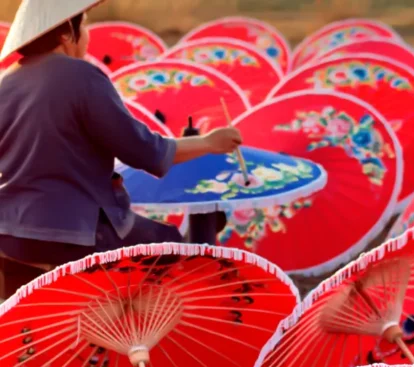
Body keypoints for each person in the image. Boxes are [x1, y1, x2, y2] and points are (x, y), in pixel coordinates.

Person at [0, 0, 243, 297]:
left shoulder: (5, 82)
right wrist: (208, 142)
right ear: (66, 34)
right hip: (78, 233)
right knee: (169, 245)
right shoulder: (81, 76)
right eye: (84, 25)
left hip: (9, 234)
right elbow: (145, 151)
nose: (86, 34)